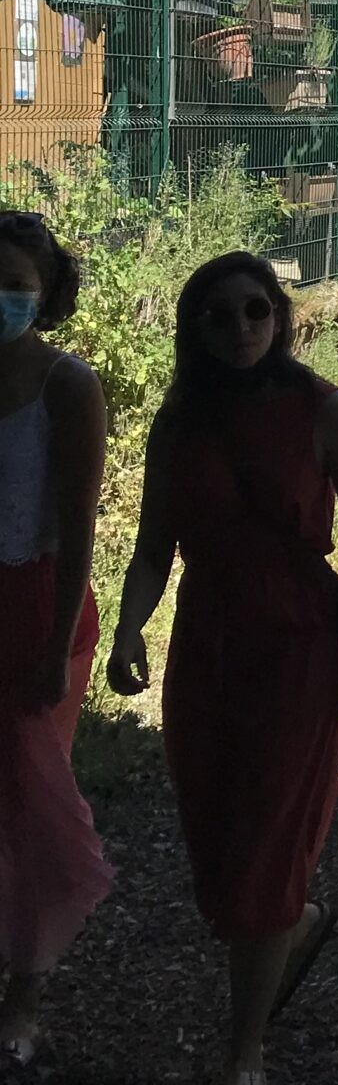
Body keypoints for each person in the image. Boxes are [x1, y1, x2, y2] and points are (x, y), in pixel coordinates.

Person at [108, 253, 338, 1085]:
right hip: (207, 652)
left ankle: (245, 1053)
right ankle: (293, 924)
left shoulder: (323, 410)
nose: (238, 329)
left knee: (267, 848)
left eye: (253, 312)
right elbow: (153, 545)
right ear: (193, 329)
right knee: (218, 841)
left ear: (279, 316)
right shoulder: (181, 419)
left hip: (297, 652)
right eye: (216, 315)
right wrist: (129, 629)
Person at [0, 214, 112, 1068]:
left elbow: (76, 527)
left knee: (35, 805)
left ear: (45, 293)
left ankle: (26, 988)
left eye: (14, 286)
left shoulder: (66, 385)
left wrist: (50, 644)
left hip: (38, 603)